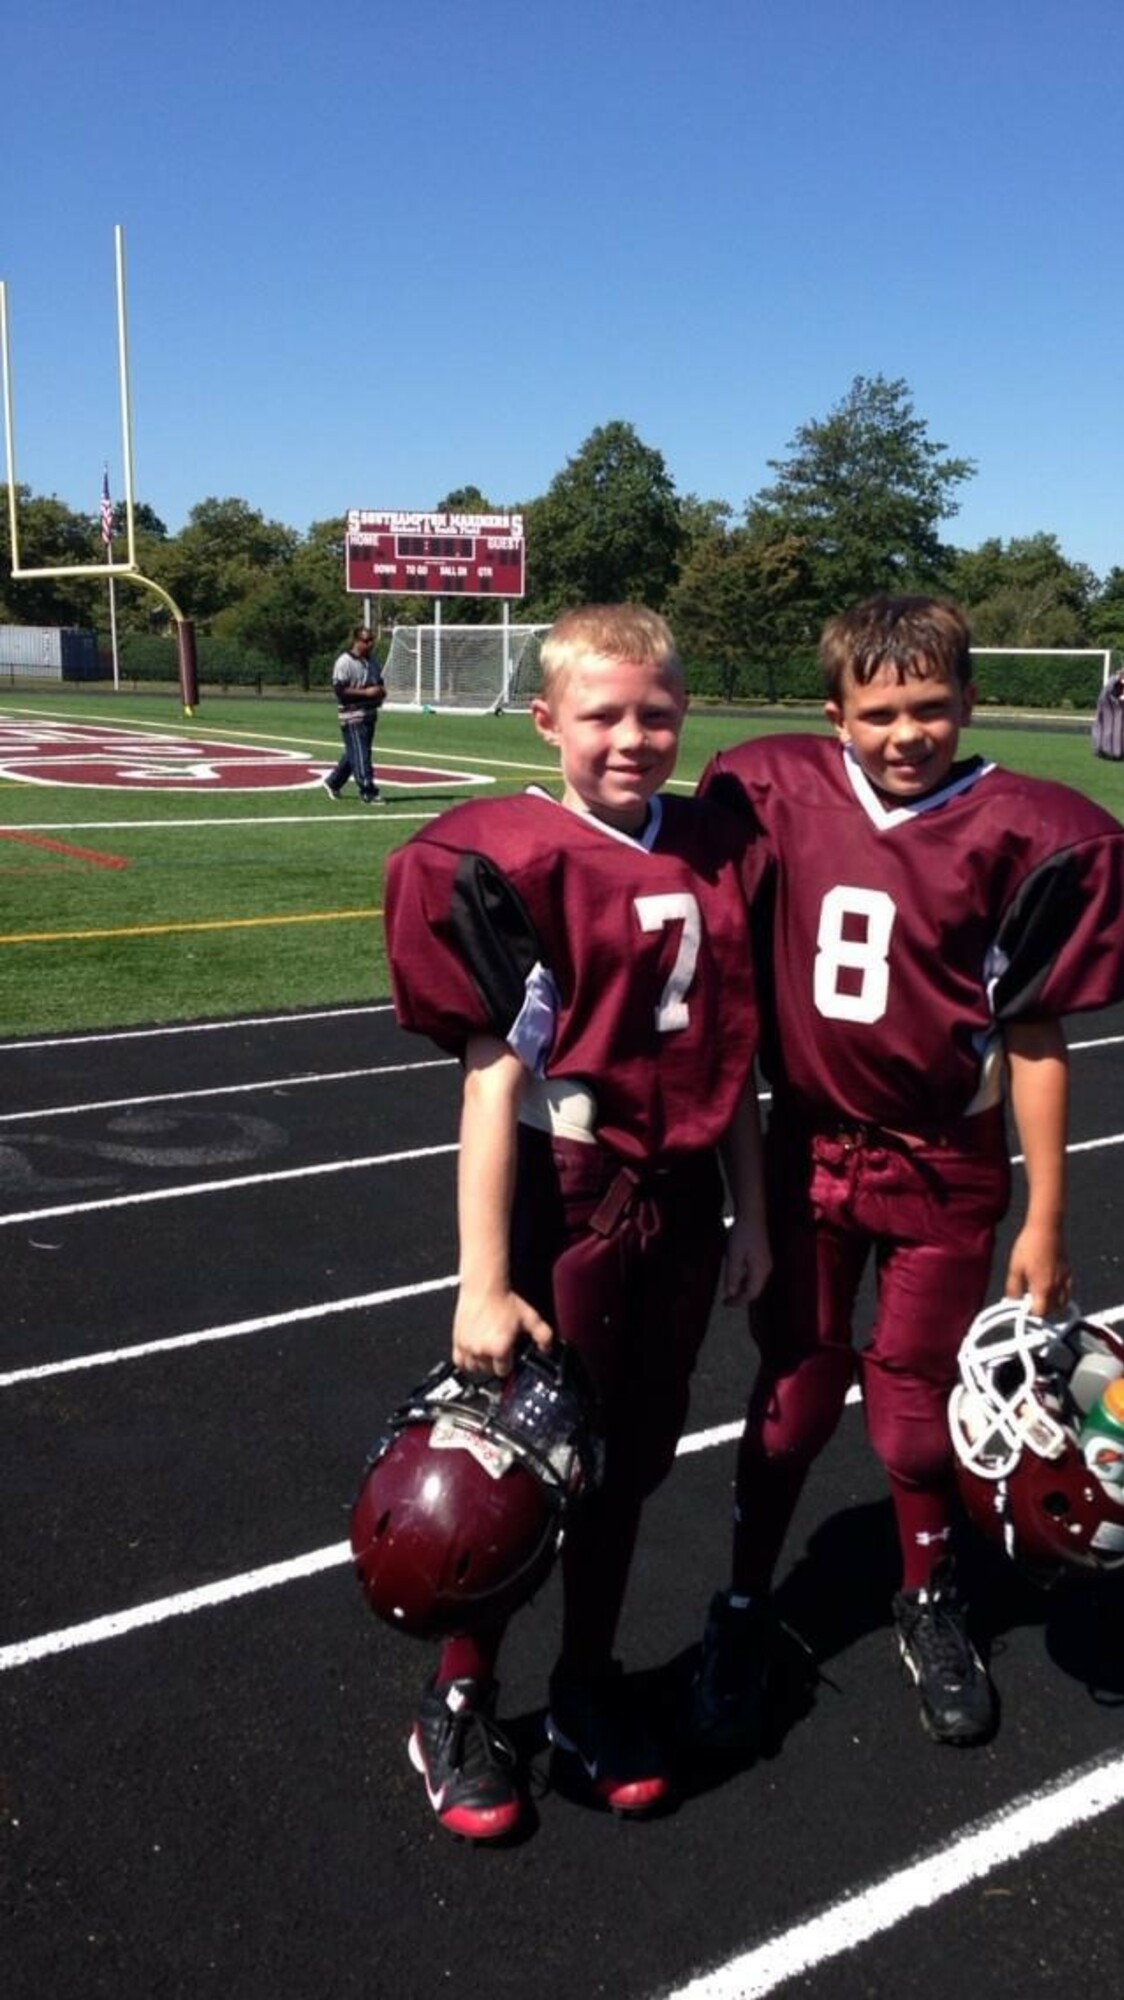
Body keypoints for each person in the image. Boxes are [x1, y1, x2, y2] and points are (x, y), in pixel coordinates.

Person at [687, 594, 1124, 1754]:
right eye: (879, 711)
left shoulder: (1028, 829)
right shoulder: (773, 789)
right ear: (833, 712)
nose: (906, 732)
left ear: (970, 702)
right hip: (808, 1145)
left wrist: (1049, 1210)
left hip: (947, 1158)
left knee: (918, 1409)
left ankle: (928, 1593)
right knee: (790, 1398)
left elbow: (1035, 1034)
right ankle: (742, 1600)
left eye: (931, 707)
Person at [382, 605, 770, 1837]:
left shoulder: (712, 847)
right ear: (545, 718)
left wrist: (752, 1209)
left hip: (685, 1194)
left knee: (630, 1467)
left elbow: (731, 1051)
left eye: (656, 711)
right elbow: (493, 1082)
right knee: (526, 1460)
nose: (632, 736)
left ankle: (582, 1683)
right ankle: (458, 1693)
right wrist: (482, 1279)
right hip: (575, 1194)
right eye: (601, 713)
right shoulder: (509, 855)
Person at [325, 626, 387, 803]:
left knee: (356, 753)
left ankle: (334, 782)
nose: (370, 644)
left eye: (371, 640)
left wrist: (380, 692)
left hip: (369, 713)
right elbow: (340, 690)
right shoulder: (344, 662)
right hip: (352, 714)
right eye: (366, 641)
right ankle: (368, 790)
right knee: (361, 754)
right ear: (357, 641)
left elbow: (379, 684)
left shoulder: (372, 662)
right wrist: (366, 693)